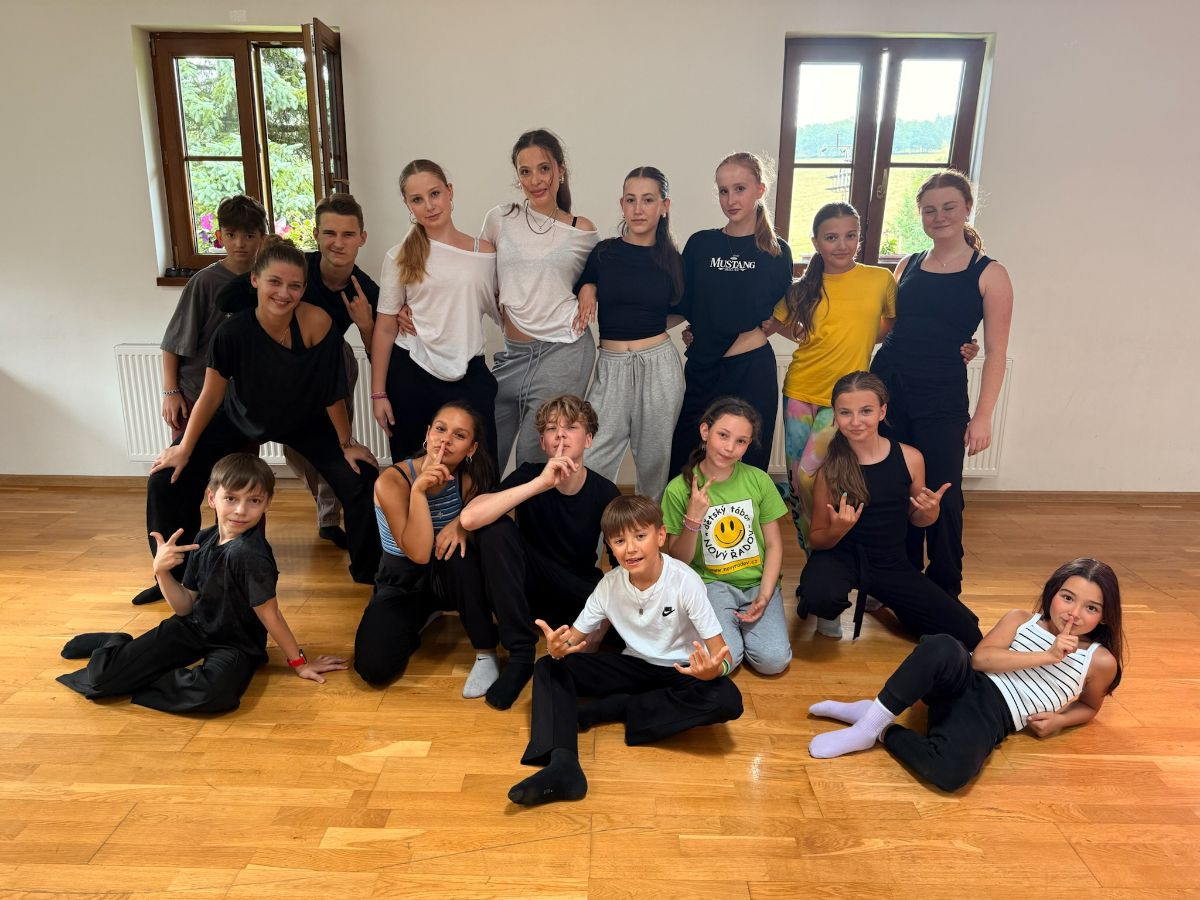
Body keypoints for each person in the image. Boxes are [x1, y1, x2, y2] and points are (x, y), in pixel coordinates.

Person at [137, 237, 380, 606]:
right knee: (166, 478)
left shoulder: (317, 322)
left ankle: (370, 573)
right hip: (241, 417)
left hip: (304, 419)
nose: (284, 293)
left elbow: (333, 389)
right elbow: (211, 395)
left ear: (304, 288)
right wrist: (183, 447)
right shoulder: (232, 332)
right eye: (274, 282)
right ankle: (173, 575)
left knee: (362, 477)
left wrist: (347, 443)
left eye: (295, 285)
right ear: (254, 280)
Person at [58, 454, 347, 713]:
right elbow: (185, 607)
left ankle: (137, 670)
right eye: (231, 498)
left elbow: (270, 614)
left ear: (267, 503)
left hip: (236, 644)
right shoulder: (203, 539)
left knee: (212, 695)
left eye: (254, 501)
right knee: (101, 680)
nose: (241, 510)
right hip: (194, 627)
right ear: (212, 498)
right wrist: (161, 573)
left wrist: (300, 663)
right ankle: (115, 643)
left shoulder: (251, 555)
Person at [807, 558, 1125, 792]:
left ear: (1104, 616)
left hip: (993, 715)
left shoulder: (1099, 661)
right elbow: (981, 659)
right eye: (1068, 598)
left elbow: (1089, 706)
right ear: (1052, 593)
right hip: (965, 679)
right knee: (942, 646)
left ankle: (879, 725)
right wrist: (1048, 655)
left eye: (1091, 608)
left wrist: (1060, 720)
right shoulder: (1021, 619)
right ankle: (866, 728)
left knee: (951, 773)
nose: (1074, 613)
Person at [507, 494, 743, 806]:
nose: (630, 548)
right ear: (609, 546)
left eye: (640, 536)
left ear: (660, 536)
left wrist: (712, 670)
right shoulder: (609, 585)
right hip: (633, 666)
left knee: (728, 699)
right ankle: (563, 764)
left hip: (680, 670)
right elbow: (573, 639)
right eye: (619, 541)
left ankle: (615, 708)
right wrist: (557, 648)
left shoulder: (686, 582)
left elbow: (723, 654)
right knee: (548, 667)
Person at [870, 170, 1014, 600]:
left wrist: (983, 417)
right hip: (890, 387)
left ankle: (945, 589)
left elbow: (997, 353)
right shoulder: (908, 264)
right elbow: (890, 327)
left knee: (943, 493)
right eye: (929, 210)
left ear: (967, 208)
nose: (939, 216)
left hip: (942, 396)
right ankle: (901, 578)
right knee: (897, 487)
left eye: (949, 207)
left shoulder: (991, 273)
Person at [218, 194, 379, 552]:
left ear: (361, 238)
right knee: (297, 450)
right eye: (329, 233)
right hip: (275, 364)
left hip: (329, 365)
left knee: (337, 445)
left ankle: (330, 518)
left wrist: (366, 326)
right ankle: (319, 511)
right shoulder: (295, 268)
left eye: (348, 234)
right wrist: (265, 270)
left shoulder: (364, 290)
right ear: (317, 235)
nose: (338, 243)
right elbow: (227, 301)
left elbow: (377, 352)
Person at [796, 372, 982, 646]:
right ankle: (829, 611)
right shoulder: (830, 469)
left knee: (968, 633)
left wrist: (930, 512)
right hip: (840, 557)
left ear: (882, 411)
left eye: (866, 411)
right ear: (835, 415)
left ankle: (885, 598)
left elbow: (917, 519)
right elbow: (817, 539)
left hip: (890, 562)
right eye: (845, 413)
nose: (856, 421)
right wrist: (838, 529)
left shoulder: (910, 457)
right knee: (818, 594)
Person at [459, 395, 619, 710]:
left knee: (629, 635)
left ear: (588, 439)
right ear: (543, 442)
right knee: (494, 529)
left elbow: (622, 568)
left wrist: (600, 627)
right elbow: (469, 518)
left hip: (577, 590)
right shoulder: (530, 475)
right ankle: (521, 653)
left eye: (571, 427)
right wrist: (541, 483)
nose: (560, 435)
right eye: (551, 428)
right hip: (529, 586)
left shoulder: (605, 491)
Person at [353, 403, 497, 687]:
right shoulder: (391, 481)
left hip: (446, 573)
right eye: (441, 429)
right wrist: (418, 491)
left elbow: (488, 519)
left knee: (460, 554)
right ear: (428, 433)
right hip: (401, 579)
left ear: (471, 448)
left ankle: (486, 651)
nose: (446, 440)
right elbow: (418, 554)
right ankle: (420, 615)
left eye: (459, 435)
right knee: (374, 669)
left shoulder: (468, 479)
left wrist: (460, 524)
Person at [668, 152, 793, 475]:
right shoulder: (701, 244)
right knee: (686, 458)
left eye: (740, 189)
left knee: (747, 465)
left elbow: (779, 311)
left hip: (752, 371)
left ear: (760, 189)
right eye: (724, 191)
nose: (731, 200)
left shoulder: (776, 251)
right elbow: (685, 303)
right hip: (704, 367)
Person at [481, 129, 599, 469]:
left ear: (560, 170)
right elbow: (475, 273)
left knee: (534, 457)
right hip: (513, 355)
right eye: (525, 171)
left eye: (544, 168)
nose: (535, 180)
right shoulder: (500, 218)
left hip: (563, 351)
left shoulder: (581, 229)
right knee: (484, 453)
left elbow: (604, 270)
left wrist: (590, 285)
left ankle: (537, 509)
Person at [371, 160, 499, 466]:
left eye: (435, 194)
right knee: (414, 470)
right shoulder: (399, 256)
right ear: (408, 205)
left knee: (480, 470)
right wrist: (378, 394)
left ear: (449, 192)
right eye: (417, 199)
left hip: (468, 370)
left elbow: (503, 307)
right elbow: (385, 328)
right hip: (412, 373)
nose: (429, 205)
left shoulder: (485, 253)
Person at [574, 166, 686, 500]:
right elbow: (586, 280)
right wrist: (588, 287)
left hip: (659, 366)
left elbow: (685, 308)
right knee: (591, 459)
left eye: (648, 200)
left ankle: (651, 534)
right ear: (621, 204)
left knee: (655, 465)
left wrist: (646, 329)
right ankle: (589, 536)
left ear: (664, 206)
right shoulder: (604, 252)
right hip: (610, 366)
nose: (638, 209)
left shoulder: (674, 260)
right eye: (631, 200)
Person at [663, 398, 791, 675]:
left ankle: (745, 626)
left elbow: (773, 545)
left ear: (748, 445)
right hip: (712, 586)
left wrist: (765, 595)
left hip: (757, 584)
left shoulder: (759, 480)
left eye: (741, 441)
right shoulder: (678, 489)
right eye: (723, 435)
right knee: (725, 661)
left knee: (773, 662)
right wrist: (693, 519)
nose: (730, 447)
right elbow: (679, 560)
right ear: (705, 431)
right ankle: (731, 630)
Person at [159, 194, 267, 446]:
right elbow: (173, 343)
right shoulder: (205, 282)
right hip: (196, 395)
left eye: (249, 236)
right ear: (220, 236)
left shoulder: (267, 281)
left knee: (240, 466)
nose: (239, 243)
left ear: (262, 238)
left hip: (241, 402)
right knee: (190, 461)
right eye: (231, 234)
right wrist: (171, 392)